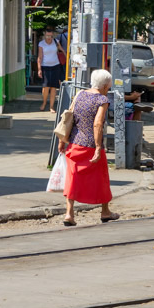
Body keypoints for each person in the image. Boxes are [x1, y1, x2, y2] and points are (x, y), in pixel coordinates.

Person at [58, 69, 119, 225]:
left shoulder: (80, 95)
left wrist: (62, 140)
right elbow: (97, 124)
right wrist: (98, 147)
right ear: (104, 86)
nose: (108, 89)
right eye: (108, 86)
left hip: (74, 143)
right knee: (101, 178)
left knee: (72, 178)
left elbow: (68, 117)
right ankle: (105, 211)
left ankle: (69, 214)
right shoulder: (102, 100)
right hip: (91, 145)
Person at [37, 28, 67, 112]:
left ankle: (51, 106)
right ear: (45, 35)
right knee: (45, 86)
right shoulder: (41, 44)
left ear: (52, 35)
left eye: (50, 36)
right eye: (47, 36)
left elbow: (62, 50)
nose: (49, 38)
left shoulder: (56, 41)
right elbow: (39, 57)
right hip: (45, 66)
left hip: (55, 66)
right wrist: (39, 69)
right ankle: (44, 103)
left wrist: (67, 57)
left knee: (54, 87)